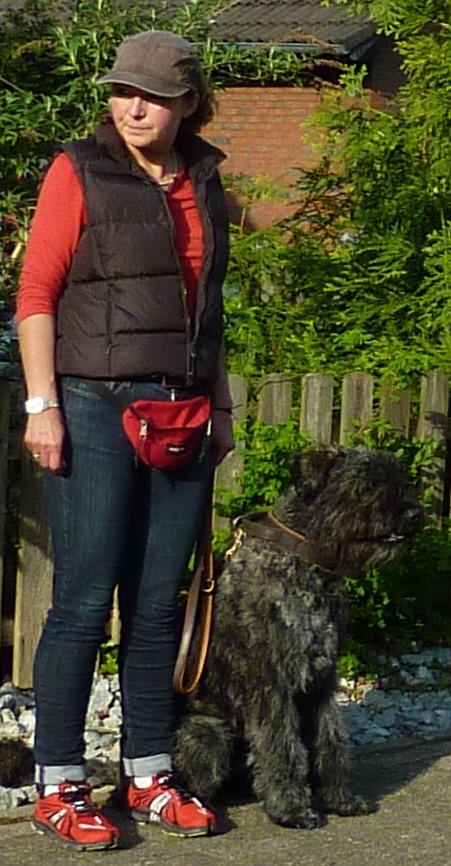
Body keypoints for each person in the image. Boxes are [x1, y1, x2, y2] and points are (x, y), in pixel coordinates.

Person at [16, 29, 234, 851]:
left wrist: (220, 405)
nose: (132, 107)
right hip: (94, 406)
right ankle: (59, 784)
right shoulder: (78, 170)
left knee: (154, 606)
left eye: (152, 96)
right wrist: (43, 404)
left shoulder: (204, 179)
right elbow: (36, 291)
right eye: (121, 92)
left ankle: (149, 772)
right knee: (81, 603)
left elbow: (208, 307)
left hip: (182, 413)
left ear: (187, 104)